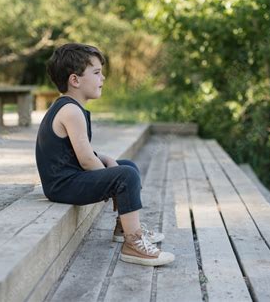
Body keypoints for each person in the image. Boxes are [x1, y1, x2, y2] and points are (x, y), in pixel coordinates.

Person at [35, 43, 175, 266]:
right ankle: (133, 243)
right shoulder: (71, 111)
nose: (103, 78)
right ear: (75, 80)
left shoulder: (69, 107)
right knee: (125, 176)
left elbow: (78, 150)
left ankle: (124, 227)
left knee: (126, 166)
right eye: (97, 73)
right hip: (63, 185)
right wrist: (111, 183)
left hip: (67, 180)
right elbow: (85, 160)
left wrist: (107, 161)